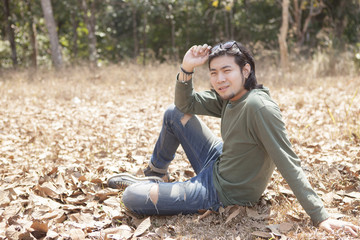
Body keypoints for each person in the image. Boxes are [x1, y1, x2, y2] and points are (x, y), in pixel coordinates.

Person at [108, 41, 359, 237]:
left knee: (132, 196)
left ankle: (153, 186)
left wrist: (320, 216)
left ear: (246, 69)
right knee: (175, 114)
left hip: (222, 191)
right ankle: (156, 173)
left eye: (227, 70)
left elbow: (288, 162)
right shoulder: (230, 97)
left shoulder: (258, 108)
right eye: (214, 72)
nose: (219, 79)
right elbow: (185, 103)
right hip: (220, 161)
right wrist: (187, 68)